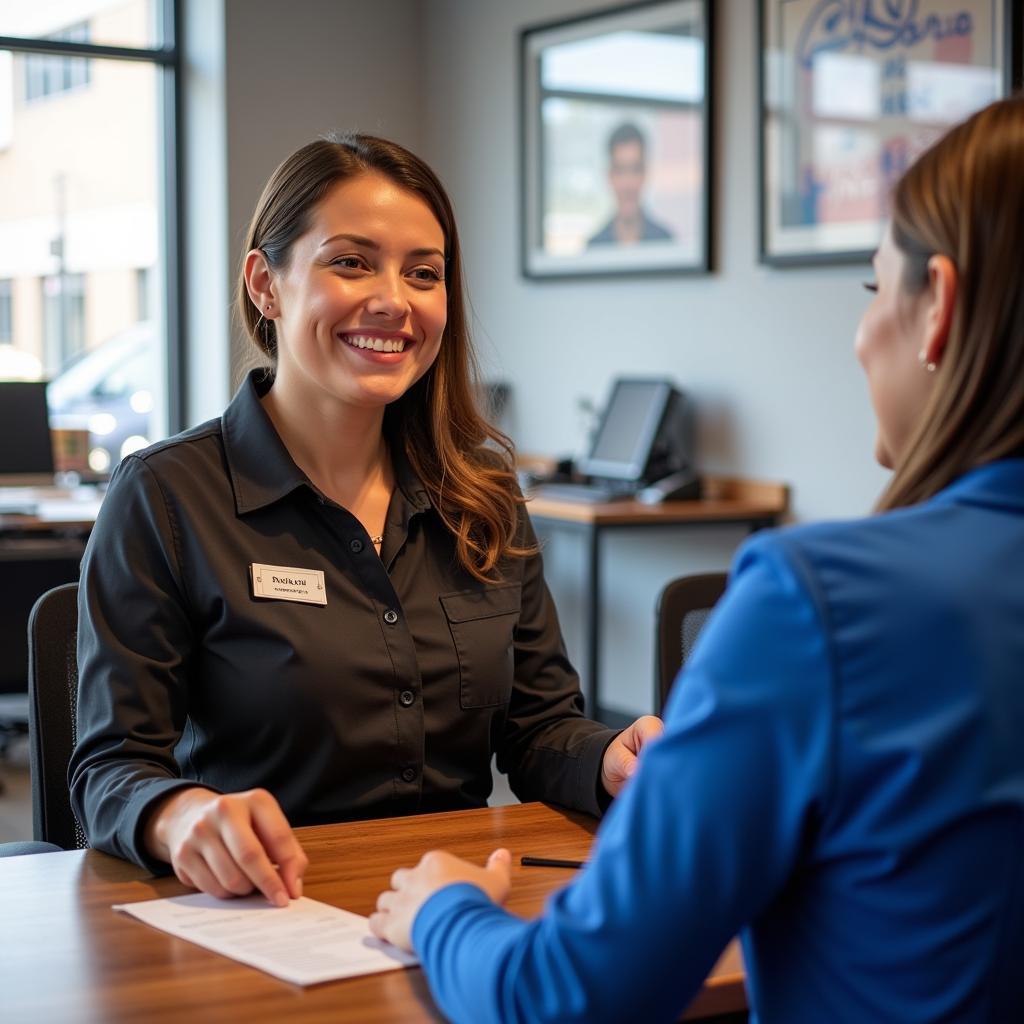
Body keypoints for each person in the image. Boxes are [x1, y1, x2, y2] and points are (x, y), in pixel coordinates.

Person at [370, 97, 1024, 1022]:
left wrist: (443, 909)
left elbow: (567, 996)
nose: (859, 334)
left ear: (939, 310)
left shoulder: (820, 604)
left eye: (875, 290)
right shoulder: (170, 492)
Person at [69, 134, 661, 906]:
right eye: (351, 262)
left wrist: (610, 755)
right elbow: (110, 768)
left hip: (453, 910)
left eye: (424, 273)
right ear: (266, 284)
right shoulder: (165, 496)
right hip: (264, 912)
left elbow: (540, 728)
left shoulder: (480, 492)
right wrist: (180, 817)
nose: (394, 299)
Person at [586, 122, 673, 247]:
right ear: (609, 176)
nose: (628, 184)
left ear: (645, 173)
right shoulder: (594, 247)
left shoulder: (666, 242)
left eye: (635, 169)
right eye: (620, 170)